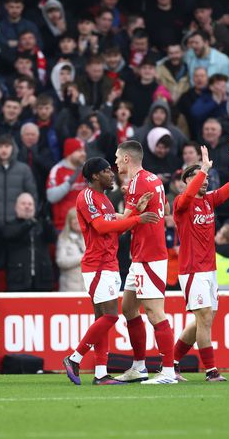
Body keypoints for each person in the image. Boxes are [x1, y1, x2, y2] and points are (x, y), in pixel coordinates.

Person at [63, 157, 158, 386]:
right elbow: (102, 226)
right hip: (97, 265)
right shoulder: (86, 197)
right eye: (106, 171)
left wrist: (136, 210)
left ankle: (100, 374)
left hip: (109, 263)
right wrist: (136, 219)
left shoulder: (105, 200)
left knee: (101, 320)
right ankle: (74, 357)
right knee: (110, 316)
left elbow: (118, 225)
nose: (111, 174)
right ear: (95, 175)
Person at [172, 136, 229, 382]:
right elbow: (190, 192)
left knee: (202, 321)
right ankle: (211, 370)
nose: (203, 182)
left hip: (209, 271)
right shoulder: (181, 204)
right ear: (185, 182)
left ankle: (171, 363)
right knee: (204, 319)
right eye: (196, 178)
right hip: (192, 270)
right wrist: (202, 169)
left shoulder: (210, 201)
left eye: (205, 178)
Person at [113, 140, 174, 385]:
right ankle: (139, 367)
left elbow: (124, 222)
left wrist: (96, 214)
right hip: (141, 254)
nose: (115, 161)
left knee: (154, 312)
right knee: (128, 308)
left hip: (149, 254)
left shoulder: (137, 183)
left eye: (118, 157)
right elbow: (165, 208)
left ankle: (168, 371)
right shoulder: (154, 179)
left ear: (127, 159)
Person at [2, 193, 56, 291]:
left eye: (30, 204)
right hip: (18, 281)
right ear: (16, 207)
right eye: (23, 204)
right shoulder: (10, 224)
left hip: (43, 281)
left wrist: (47, 219)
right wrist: (31, 222)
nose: (27, 206)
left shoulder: (41, 224)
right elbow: (11, 235)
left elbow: (53, 238)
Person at [0, 135, 38, 224]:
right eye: (0, 147)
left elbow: (32, 196)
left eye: (7, 146)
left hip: (18, 223)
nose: (4, 150)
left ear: (13, 149)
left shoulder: (24, 170)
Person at [46, 138, 87, 231]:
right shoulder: (57, 170)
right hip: (64, 226)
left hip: (87, 224)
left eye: (83, 150)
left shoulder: (88, 170)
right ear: (69, 153)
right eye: (79, 150)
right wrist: (69, 182)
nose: (83, 154)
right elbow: (51, 197)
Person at [56, 208, 85, 292]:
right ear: (69, 222)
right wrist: (83, 257)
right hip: (69, 287)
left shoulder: (89, 237)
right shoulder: (63, 238)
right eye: (74, 218)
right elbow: (61, 261)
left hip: (87, 287)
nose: (77, 221)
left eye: (79, 218)